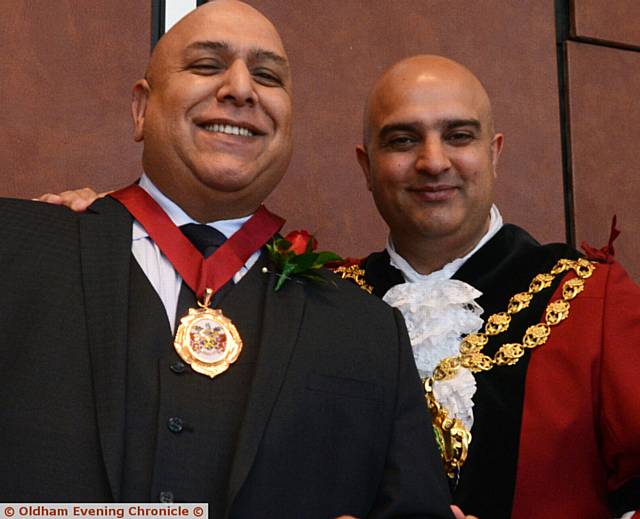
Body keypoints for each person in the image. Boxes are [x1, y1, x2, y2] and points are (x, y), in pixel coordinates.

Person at [0, 3, 457, 517]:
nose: (241, 89)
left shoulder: (369, 330)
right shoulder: (15, 250)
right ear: (141, 109)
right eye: (206, 65)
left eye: (267, 75)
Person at [352, 55, 640, 518]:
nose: (433, 161)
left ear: (494, 153)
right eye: (403, 140)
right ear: (367, 167)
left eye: (458, 136)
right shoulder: (326, 305)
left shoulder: (591, 298)